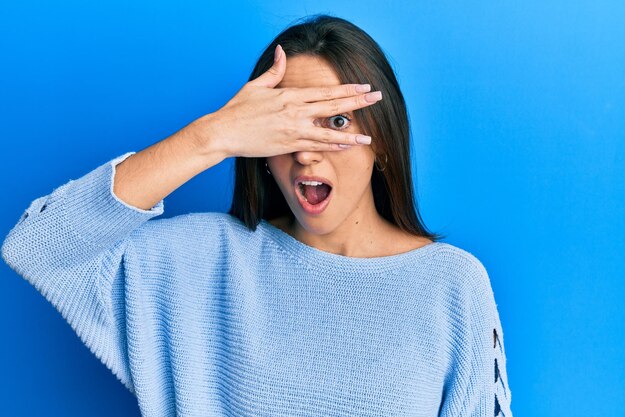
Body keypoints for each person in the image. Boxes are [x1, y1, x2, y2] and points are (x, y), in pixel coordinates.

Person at [1, 14, 513, 417]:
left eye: (334, 121)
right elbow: (37, 245)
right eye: (284, 123)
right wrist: (213, 136)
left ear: (380, 140)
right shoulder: (204, 261)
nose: (306, 150)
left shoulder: (452, 285)